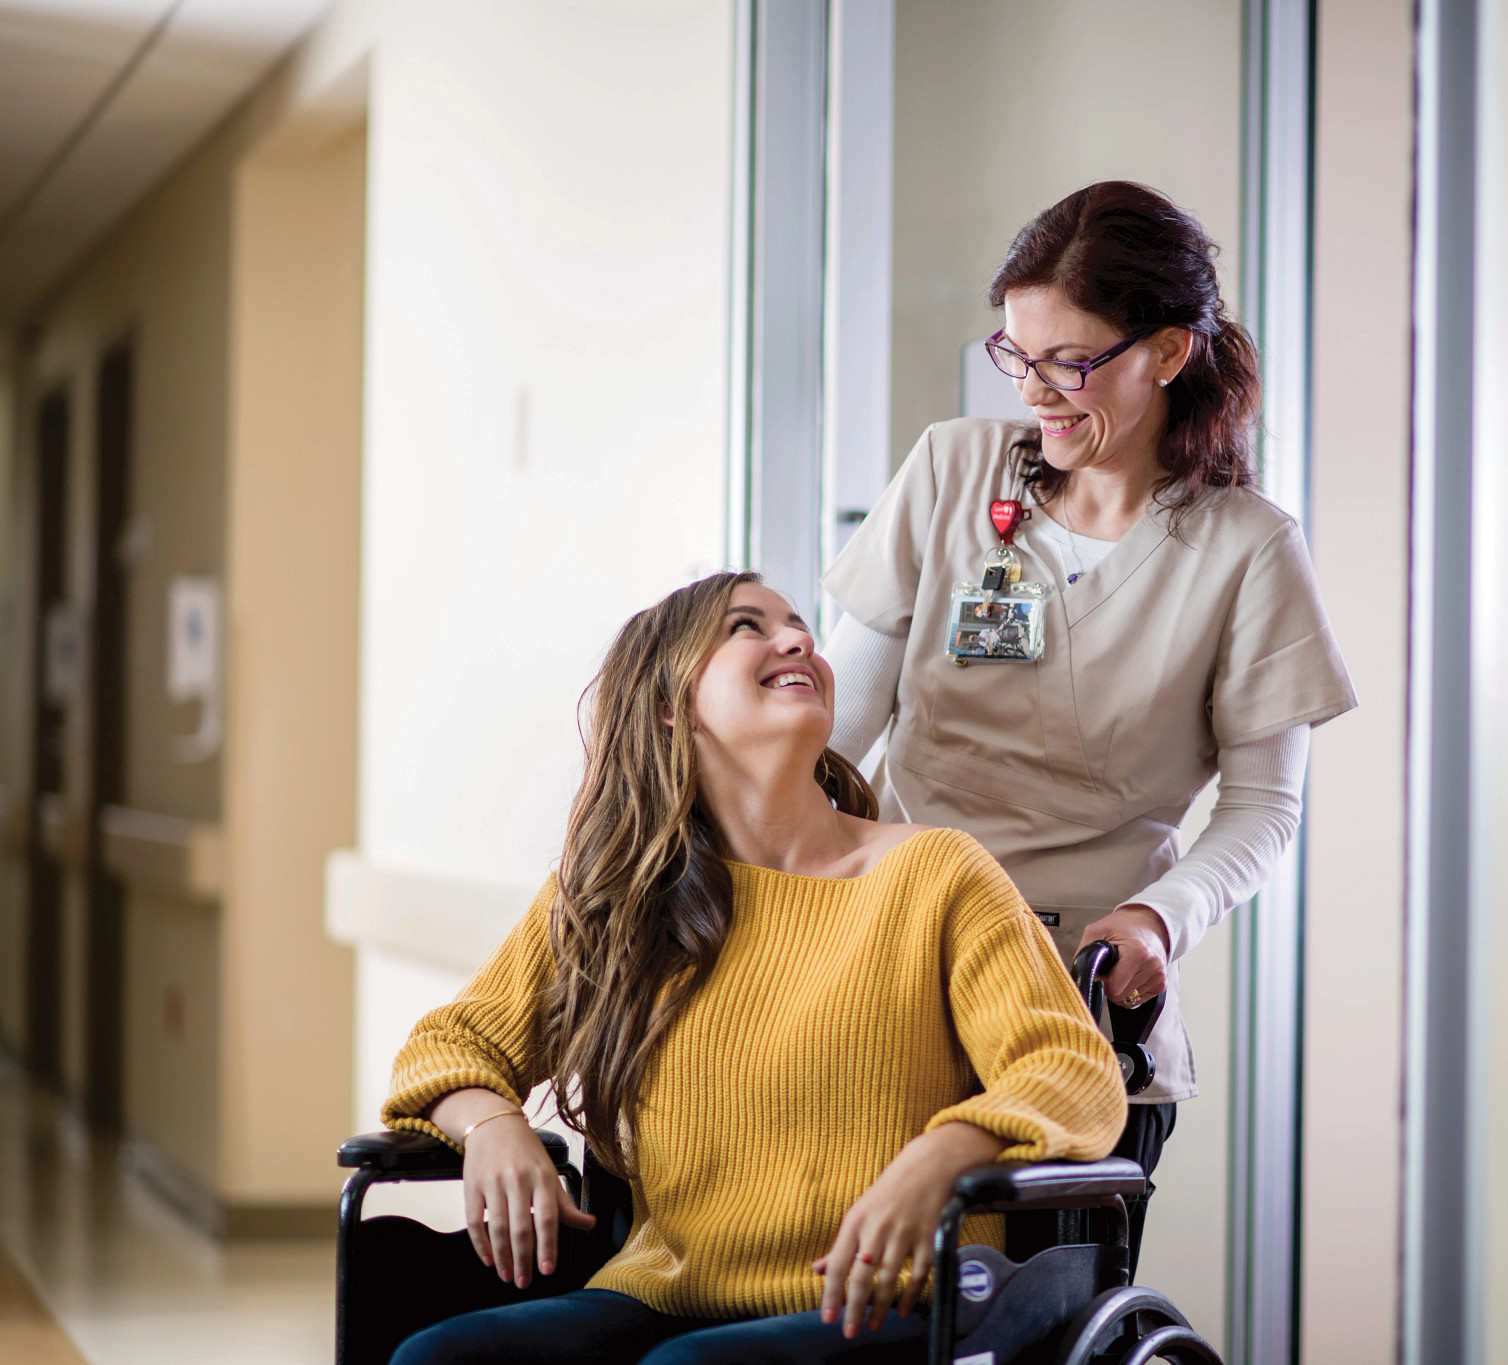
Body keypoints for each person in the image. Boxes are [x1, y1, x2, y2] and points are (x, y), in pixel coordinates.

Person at [381, 573, 1125, 1365]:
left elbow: (1073, 1070)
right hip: (662, 1294)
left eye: (800, 624)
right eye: (747, 626)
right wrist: (493, 1126)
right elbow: (446, 1045)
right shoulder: (615, 894)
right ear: (669, 703)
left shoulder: (937, 874)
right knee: (439, 1356)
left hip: (893, 1296)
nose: (799, 640)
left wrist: (938, 1156)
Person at [821, 182, 1357, 1254]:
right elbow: (837, 735)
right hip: (888, 976)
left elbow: (1261, 811)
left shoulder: (1245, 549)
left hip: (1074, 1002)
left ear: (1165, 352)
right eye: (1014, 357)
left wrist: (1162, 920)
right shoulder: (951, 470)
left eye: (1070, 364)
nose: (1037, 395)